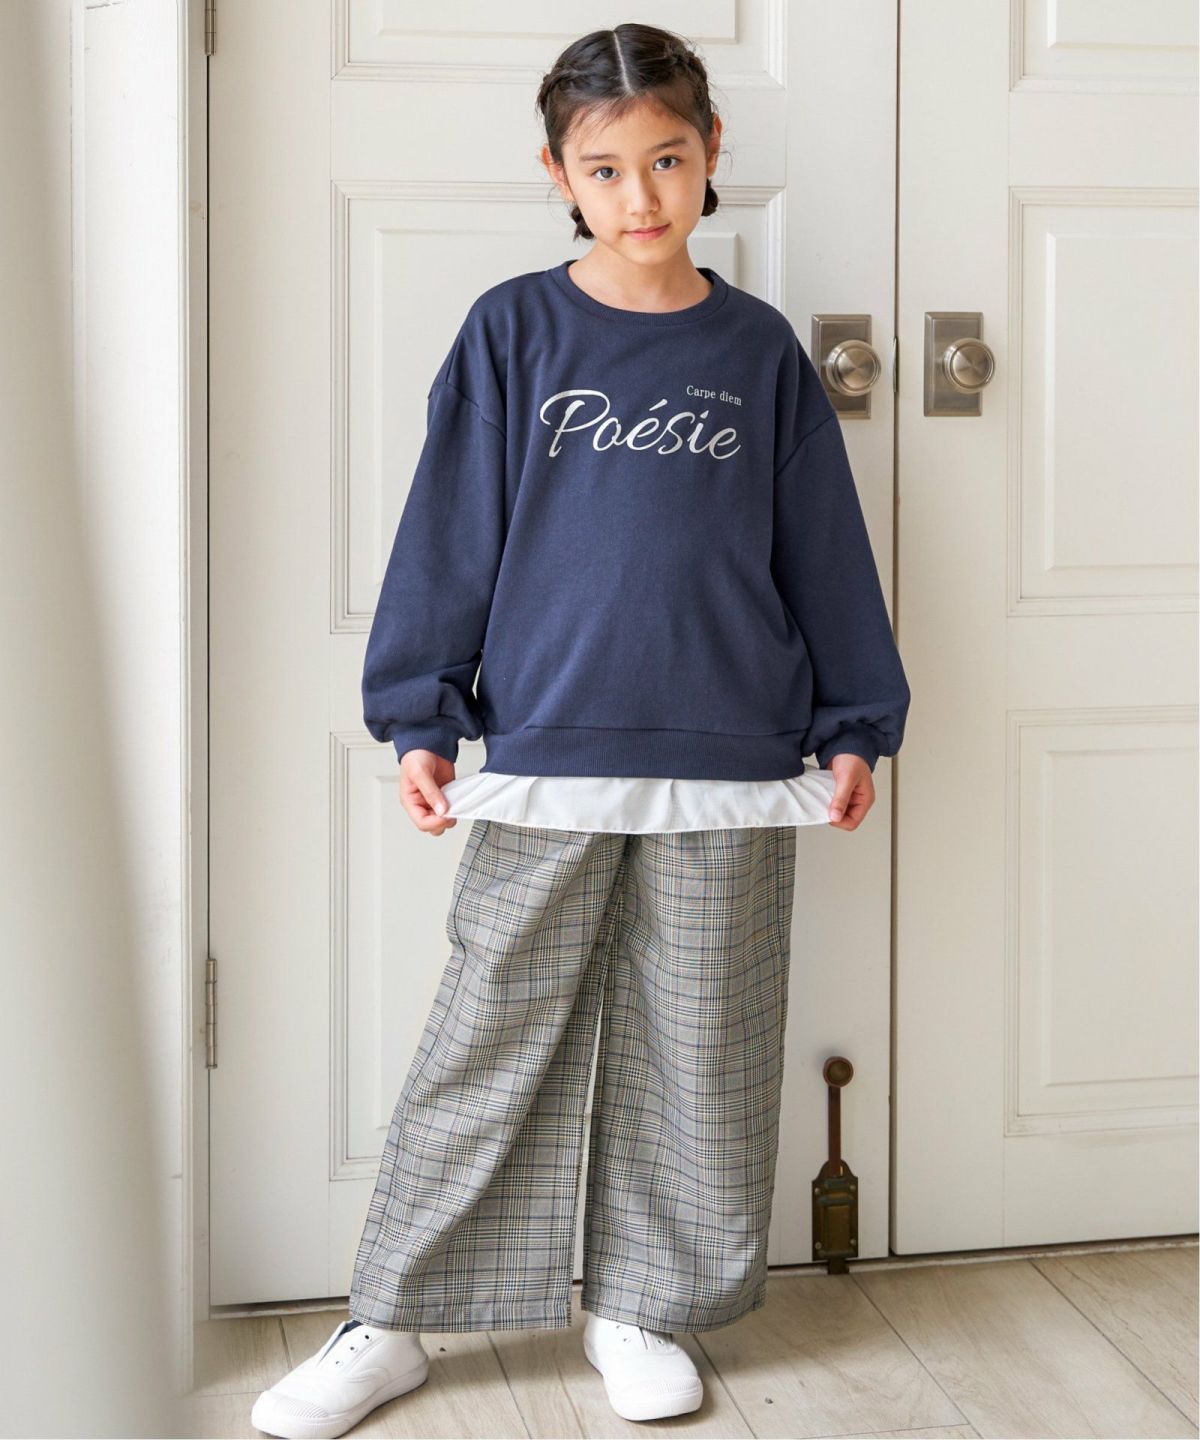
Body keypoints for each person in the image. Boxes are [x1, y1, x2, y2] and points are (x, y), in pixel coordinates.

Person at [252, 21, 910, 1439]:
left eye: (666, 159)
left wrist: (858, 721)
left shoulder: (757, 349)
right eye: (605, 169)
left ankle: (642, 1305)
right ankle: (391, 1319)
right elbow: (448, 537)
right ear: (558, 172)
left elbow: (825, 552)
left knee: (702, 1039)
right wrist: (421, 713)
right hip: (548, 750)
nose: (641, 195)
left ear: (711, 151)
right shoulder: (512, 332)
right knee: (490, 1034)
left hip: (734, 760)